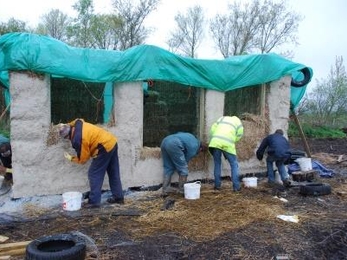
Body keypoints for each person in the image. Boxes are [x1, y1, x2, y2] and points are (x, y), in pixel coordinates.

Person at [58, 119, 124, 208]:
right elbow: (78, 119)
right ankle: (118, 197)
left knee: (93, 174)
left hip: (103, 148)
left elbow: (83, 159)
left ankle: (94, 202)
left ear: (68, 136)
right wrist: (66, 125)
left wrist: (71, 158)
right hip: (112, 141)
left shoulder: (78, 140)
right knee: (113, 172)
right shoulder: (78, 124)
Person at [209, 116, 244, 192]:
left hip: (215, 142)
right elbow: (240, 134)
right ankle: (236, 187)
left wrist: (216, 137)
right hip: (228, 143)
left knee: (217, 164)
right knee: (234, 165)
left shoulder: (221, 118)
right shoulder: (238, 122)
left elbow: (212, 129)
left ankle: (217, 186)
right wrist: (233, 140)